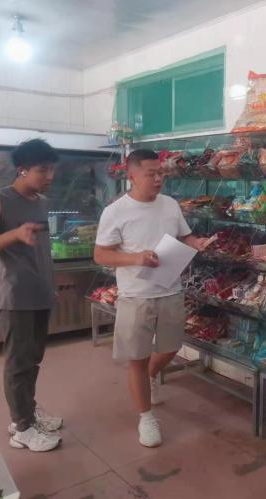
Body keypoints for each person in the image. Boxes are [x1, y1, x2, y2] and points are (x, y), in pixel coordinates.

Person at [94, 149, 214, 448]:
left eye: (161, 173)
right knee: (137, 357)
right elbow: (101, 255)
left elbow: (184, 236)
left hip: (171, 289)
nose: (159, 179)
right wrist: (135, 258)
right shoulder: (116, 211)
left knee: (171, 347)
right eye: (152, 174)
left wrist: (196, 242)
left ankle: (147, 380)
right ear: (132, 176)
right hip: (136, 295)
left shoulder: (170, 205)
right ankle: (146, 417)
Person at [0, 139, 63, 452]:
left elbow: (41, 251)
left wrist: (51, 284)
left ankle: (27, 411)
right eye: (43, 170)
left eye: (51, 169)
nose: (50, 176)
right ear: (22, 169)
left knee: (33, 360)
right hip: (15, 295)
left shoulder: (41, 202)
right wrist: (14, 234)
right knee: (18, 363)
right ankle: (22, 428)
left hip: (41, 291)